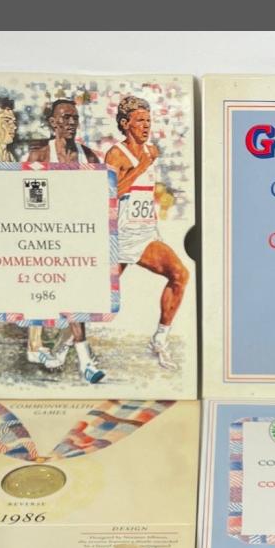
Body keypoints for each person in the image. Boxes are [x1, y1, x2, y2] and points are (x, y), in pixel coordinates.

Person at [104, 94, 189, 371]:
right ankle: (65, 345)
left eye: (148, 121)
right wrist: (141, 167)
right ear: (125, 123)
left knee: (180, 275)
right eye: (140, 120)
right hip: (120, 235)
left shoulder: (151, 150)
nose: (146, 126)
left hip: (145, 233)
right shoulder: (116, 154)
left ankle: (160, 339)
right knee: (99, 297)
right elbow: (109, 193)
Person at [24, 98, 104, 383]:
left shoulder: (89, 157)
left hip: (79, 237)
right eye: (65, 117)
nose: (71, 122)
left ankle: (60, 353)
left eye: (74, 118)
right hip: (47, 237)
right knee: (72, 298)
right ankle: (85, 362)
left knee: (84, 298)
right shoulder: (40, 153)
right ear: (52, 122)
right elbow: (30, 200)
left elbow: (99, 197)